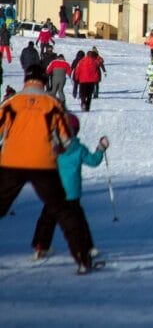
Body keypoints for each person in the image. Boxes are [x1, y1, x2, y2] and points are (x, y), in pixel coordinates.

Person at [0, 65, 94, 273]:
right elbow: (66, 138)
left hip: (11, 162)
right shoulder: (52, 104)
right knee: (64, 211)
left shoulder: (11, 103)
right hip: (43, 163)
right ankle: (82, 257)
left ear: (25, 80)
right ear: (45, 81)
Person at [31, 113, 109, 261]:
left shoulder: (51, 147)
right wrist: (101, 148)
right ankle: (88, 248)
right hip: (71, 193)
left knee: (47, 219)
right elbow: (93, 161)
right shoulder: (78, 148)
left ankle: (41, 246)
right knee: (78, 222)